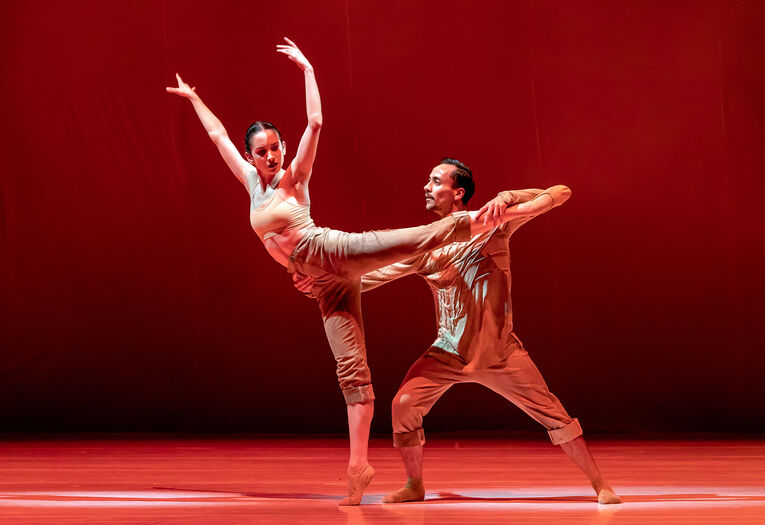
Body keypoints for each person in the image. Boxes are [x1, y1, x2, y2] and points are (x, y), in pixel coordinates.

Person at [166, 39, 567, 505]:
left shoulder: (294, 178)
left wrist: (308, 69)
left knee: (406, 239)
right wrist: (196, 99)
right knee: (351, 372)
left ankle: (477, 221)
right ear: (251, 155)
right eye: (263, 151)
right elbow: (218, 138)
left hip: (331, 251)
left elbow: (315, 122)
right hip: (322, 282)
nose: (272, 156)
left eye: (276, 147)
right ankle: (359, 467)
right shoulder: (251, 184)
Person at [298, 158, 620, 505]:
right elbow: (369, 278)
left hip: (499, 353)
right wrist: (321, 283)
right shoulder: (427, 246)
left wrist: (507, 197)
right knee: (404, 404)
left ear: (458, 193)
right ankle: (414, 485)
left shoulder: (492, 224)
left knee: (553, 413)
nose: (427, 186)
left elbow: (560, 193)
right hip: (448, 353)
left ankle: (600, 483)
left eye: (435, 181)